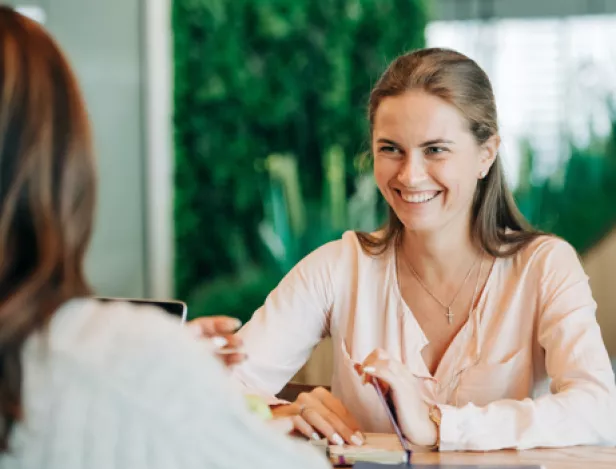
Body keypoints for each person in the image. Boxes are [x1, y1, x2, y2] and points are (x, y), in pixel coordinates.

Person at [193, 47, 616, 451]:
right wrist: (280, 411)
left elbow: (598, 409)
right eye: (390, 149)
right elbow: (218, 387)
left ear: (486, 154)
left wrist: (439, 425)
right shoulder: (338, 268)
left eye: (435, 150)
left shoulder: (543, 267)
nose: (410, 176)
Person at [0, 7, 329, 469]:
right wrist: (165, 374)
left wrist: (172, 374)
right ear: (62, 168)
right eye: (389, 148)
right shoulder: (110, 362)